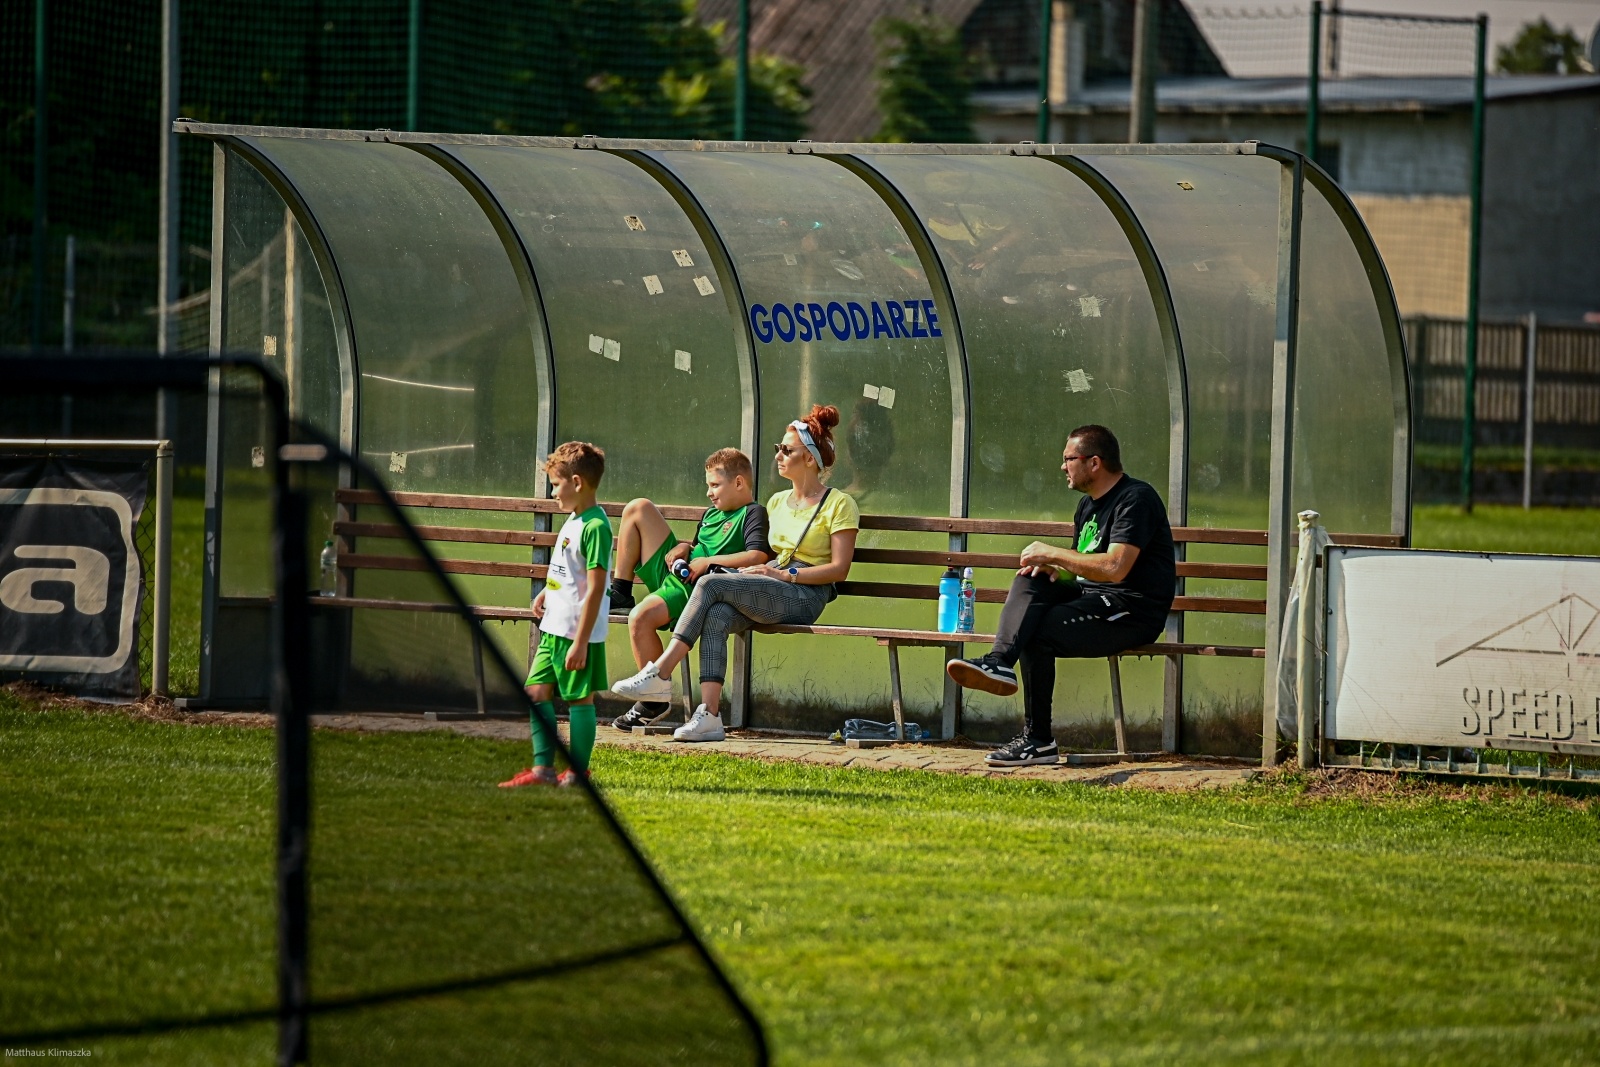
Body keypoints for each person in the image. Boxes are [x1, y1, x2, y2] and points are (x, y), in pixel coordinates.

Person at [610, 405, 859, 742]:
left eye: (787, 450)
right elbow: (760, 552)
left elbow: (839, 570)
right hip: (770, 581)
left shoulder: (838, 504)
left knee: (711, 581)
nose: (779, 456)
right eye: (778, 449)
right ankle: (710, 716)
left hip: (805, 591)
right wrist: (691, 548)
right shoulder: (776, 502)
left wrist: (787, 577)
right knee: (717, 614)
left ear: (810, 459)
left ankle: (661, 672)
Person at [946, 425, 1175, 768]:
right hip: (1092, 598)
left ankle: (1038, 740)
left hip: (1130, 611)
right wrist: (1054, 568)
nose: (1063, 466)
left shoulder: (1136, 499)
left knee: (1038, 627)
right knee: (1029, 579)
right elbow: (1083, 562)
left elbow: (1114, 567)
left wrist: (1052, 553)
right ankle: (999, 663)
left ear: (1094, 462)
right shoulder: (1087, 506)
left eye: (1068, 459)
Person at [607, 448, 774, 731]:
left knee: (639, 618)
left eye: (714, 485)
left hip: (697, 590)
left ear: (738, 483)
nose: (709, 492)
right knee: (638, 507)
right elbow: (700, 547)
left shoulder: (753, 513)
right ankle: (620, 590)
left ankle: (653, 701)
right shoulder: (711, 514)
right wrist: (685, 547)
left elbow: (757, 556)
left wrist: (707, 561)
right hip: (678, 574)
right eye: (707, 485)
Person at [499, 441, 612, 788]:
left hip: (576, 633)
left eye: (556, 484)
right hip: (553, 628)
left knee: (579, 698)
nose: (552, 492)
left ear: (577, 483)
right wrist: (549, 590)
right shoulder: (575, 519)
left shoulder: (596, 526)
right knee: (536, 691)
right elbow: (569, 568)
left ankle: (579, 773)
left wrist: (580, 643)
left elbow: (595, 588)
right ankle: (543, 769)